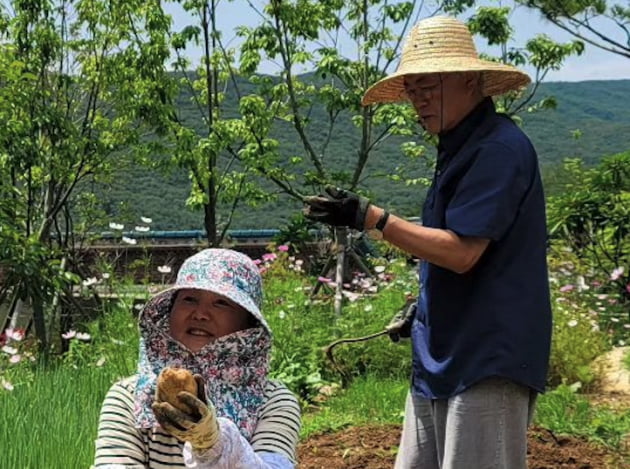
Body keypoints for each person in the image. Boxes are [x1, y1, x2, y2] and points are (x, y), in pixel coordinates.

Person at [304, 15, 552, 469]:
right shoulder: (460, 147)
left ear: (472, 82)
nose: (417, 99)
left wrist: (370, 218)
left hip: (485, 356)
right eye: (412, 90)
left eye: (428, 86)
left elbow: (460, 252)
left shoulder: (497, 149)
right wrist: (424, 308)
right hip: (443, 351)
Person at [93, 248, 301, 468]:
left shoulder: (273, 401)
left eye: (221, 302)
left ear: (248, 323)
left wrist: (212, 441)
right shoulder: (129, 397)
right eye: (189, 299)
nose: (200, 314)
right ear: (168, 313)